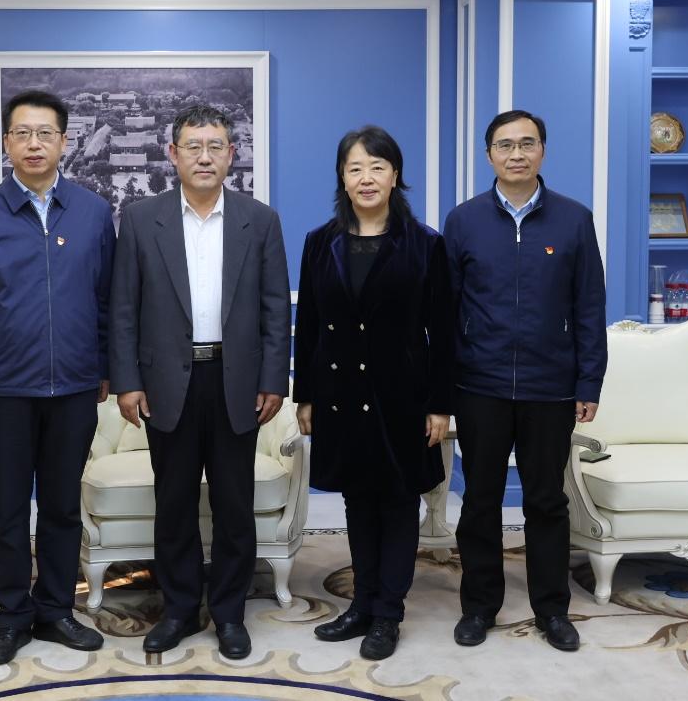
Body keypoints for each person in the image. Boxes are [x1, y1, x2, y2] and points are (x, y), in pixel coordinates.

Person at [110, 104, 291, 661]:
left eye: (215, 146)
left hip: (237, 381)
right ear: (173, 154)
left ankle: (230, 613)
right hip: (168, 383)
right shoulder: (141, 219)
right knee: (175, 504)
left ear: (232, 155)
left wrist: (274, 379)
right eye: (193, 146)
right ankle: (181, 609)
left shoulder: (260, 220)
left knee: (234, 506)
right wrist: (127, 382)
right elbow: (123, 308)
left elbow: (274, 309)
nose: (205, 156)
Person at [0, 89, 116, 665]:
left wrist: (104, 369)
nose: (34, 143)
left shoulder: (93, 212)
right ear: (6, 143)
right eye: (22, 133)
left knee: (64, 507)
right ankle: (13, 615)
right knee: (9, 509)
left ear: (64, 141)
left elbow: (107, 300)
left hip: (75, 386)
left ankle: (56, 611)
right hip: (6, 392)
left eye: (46, 133)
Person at [443, 110, 607, 653]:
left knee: (546, 502)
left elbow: (589, 306)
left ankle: (552, 610)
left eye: (527, 143)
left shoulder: (573, 219)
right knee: (480, 501)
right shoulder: (464, 221)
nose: (516, 154)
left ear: (542, 151)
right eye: (505, 145)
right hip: (480, 385)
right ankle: (479, 607)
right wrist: (445, 385)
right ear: (489, 154)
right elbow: (446, 309)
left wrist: (589, 383)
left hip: (550, 386)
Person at [292, 126, 453, 661]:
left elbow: (442, 332)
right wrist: (305, 395)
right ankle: (361, 605)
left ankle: (388, 613)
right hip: (339, 393)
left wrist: (439, 404)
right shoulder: (320, 242)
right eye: (355, 168)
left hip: (402, 396)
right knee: (357, 500)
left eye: (377, 167)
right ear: (342, 177)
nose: (366, 178)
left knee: (399, 502)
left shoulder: (425, 243)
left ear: (395, 175)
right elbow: (308, 326)